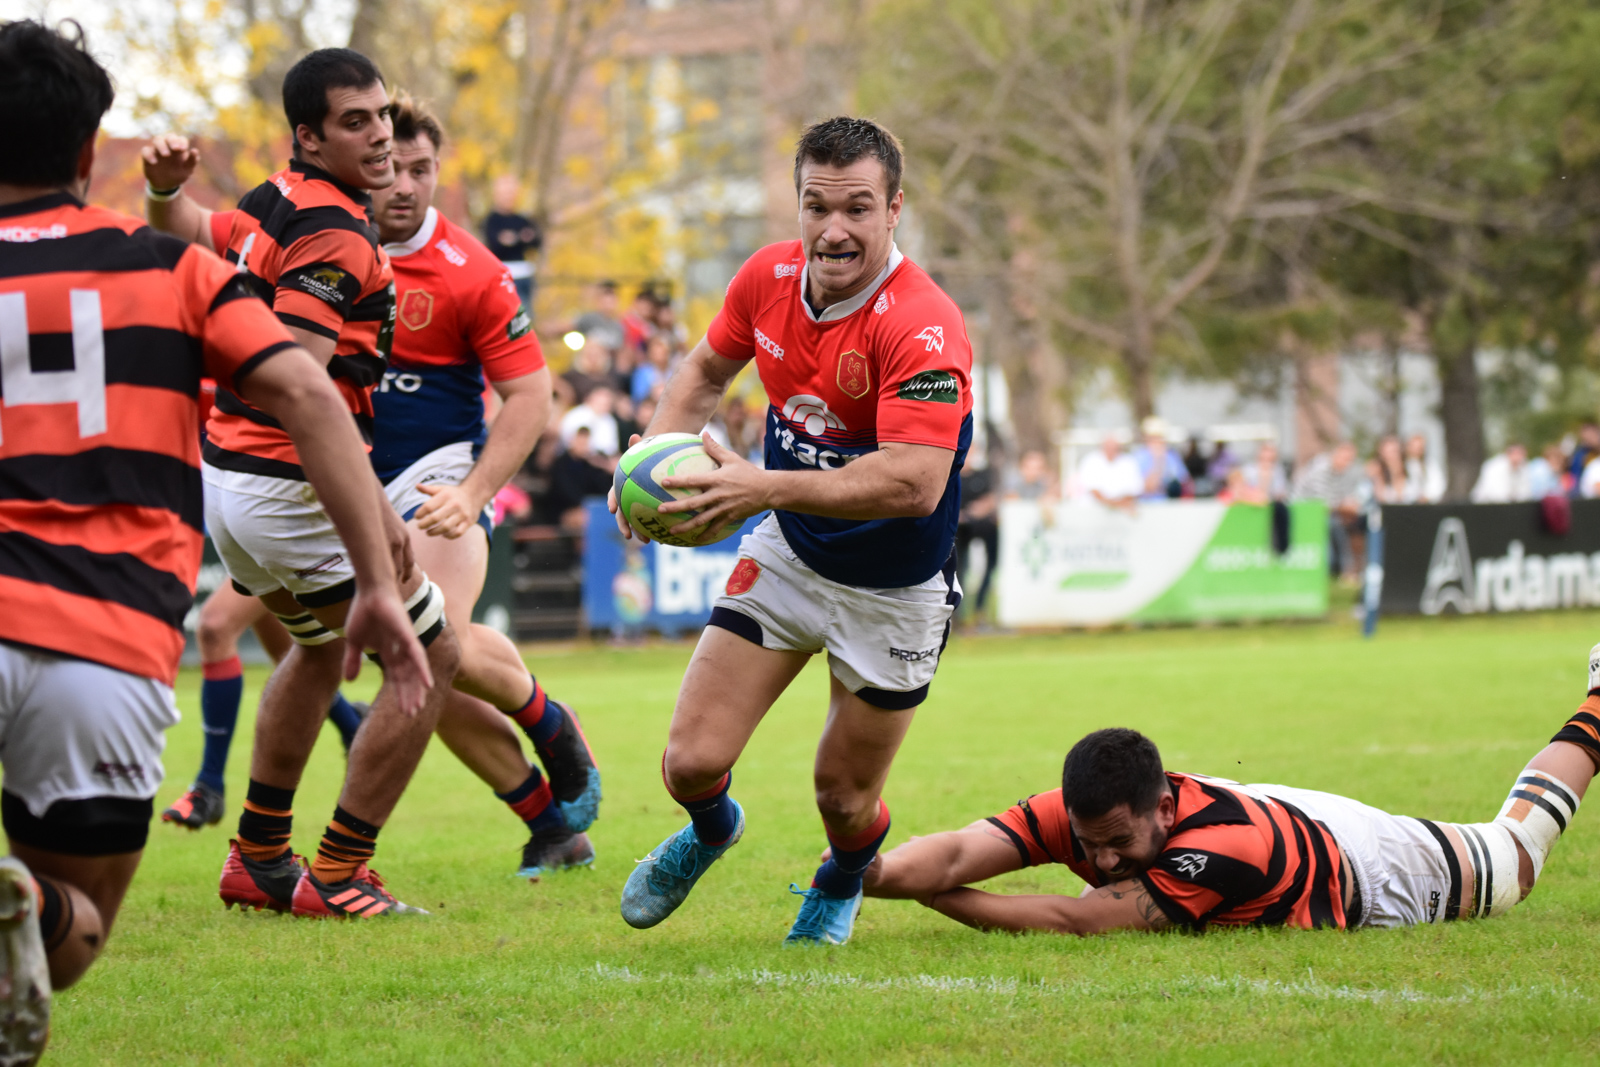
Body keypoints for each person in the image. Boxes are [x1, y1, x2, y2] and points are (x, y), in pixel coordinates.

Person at [0, 21, 428, 1060]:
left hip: (154, 556)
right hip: (100, 639)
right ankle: (331, 864)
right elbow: (306, 391)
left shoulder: (239, 222)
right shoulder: (169, 274)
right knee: (75, 930)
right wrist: (378, 566)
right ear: (86, 150)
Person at [610, 117, 973, 945]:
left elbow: (914, 484)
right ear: (799, 204)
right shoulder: (766, 276)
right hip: (791, 553)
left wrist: (759, 486)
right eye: (817, 206)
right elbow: (703, 370)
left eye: (857, 208)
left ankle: (841, 875)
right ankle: (710, 830)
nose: (833, 229)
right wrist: (651, 461)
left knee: (843, 798)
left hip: (896, 587)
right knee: (689, 764)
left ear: (893, 211)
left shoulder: (923, 323)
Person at [142, 47, 462, 918]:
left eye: (383, 116)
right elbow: (303, 388)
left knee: (318, 652)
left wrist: (166, 192)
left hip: (233, 481)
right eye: (355, 122)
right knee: (434, 654)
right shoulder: (335, 234)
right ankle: (341, 870)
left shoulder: (270, 202)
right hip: (289, 484)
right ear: (309, 137)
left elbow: (187, 229)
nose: (382, 138)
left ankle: (257, 855)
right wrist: (372, 523)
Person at [863, 658, 1600, 936]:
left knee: (1515, 852)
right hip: (1291, 816)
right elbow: (961, 847)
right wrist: (870, 869)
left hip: (1380, 870)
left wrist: (934, 896)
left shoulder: (1215, 851)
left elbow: (1076, 919)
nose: (1101, 857)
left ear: (1160, 809)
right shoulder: (1098, 804)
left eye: (1116, 843)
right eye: (1089, 842)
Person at [353, 93, 600, 875]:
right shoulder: (320, 249)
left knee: (435, 645)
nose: (406, 186)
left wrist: (472, 489)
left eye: (423, 170)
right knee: (427, 674)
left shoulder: (474, 270)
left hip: (439, 477)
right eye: (391, 169)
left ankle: (549, 721)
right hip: (346, 486)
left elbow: (533, 395)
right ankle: (552, 826)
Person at [159, 583, 367, 829]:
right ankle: (354, 726)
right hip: (247, 551)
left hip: (278, 548)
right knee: (293, 657)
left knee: (215, 627)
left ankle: (209, 785)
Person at [1292, 441, 1365, 578]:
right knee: (1334, 527)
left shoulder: (1342, 473)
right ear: (1335, 455)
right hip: (1304, 513)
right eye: (1345, 458)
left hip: (1324, 514)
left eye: (1350, 460)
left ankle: (1345, 570)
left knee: (1348, 524)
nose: (1347, 463)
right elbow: (1323, 504)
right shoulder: (1321, 469)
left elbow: (1344, 497)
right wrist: (1345, 507)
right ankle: (1337, 570)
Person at [481, 175, 540, 310]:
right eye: (505, 193)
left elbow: (535, 240)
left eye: (511, 193)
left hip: (525, 274)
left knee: (525, 315)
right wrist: (519, 239)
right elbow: (496, 244)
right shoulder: (491, 220)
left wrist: (513, 239)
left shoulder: (523, 218)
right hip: (503, 276)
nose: (509, 197)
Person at [956, 453, 1000, 622]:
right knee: (960, 570)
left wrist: (983, 507)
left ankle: (980, 609)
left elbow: (991, 499)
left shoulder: (983, 475)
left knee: (990, 566)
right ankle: (959, 614)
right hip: (960, 531)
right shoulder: (953, 475)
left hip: (983, 527)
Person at [1073, 435, 1141, 511]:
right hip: (1093, 512)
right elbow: (1092, 490)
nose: (1111, 450)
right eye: (1108, 447)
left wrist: (1115, 504)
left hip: (1123, 513)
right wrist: (1115, 504)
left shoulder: (1129, 462)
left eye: (1114, 448)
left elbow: (1134, 490)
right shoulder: (1091, 461)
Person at [1131, 417, 1189, 500]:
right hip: (1146, 506)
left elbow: (1184, 482)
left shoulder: (1172, 456)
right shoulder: (1139, 457)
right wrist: (1158, 460)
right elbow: (1147, 488)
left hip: (1169, 506)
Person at [559, 384, 621, 457]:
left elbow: (611, 448)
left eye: (606, 404)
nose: (603, 406)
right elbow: (568, 441)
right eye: (600, 402)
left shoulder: (610, 421)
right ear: (590, 399)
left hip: (601, 459)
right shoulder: (576, 415)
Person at [570, 280, 625, 356]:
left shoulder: (618, 326)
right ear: (599, 301)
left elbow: (620, 351)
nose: (608, 304)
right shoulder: (589, 319)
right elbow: (568, 327)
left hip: (610, 366)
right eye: (605, 300)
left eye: (611, 300)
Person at [1367, 434, 1410, 504]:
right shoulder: (1375, 470)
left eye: (1394, 451)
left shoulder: (1409, 469)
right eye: (1387, 452)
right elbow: (1379, 497)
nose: (1390, 456)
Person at [1404, 433, 1445, 504]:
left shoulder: (1430, 464)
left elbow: (1438, 484)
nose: (1417, 450)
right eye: (1415, 447)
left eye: (1420, 447)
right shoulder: (1403, 464)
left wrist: (1426, 497)